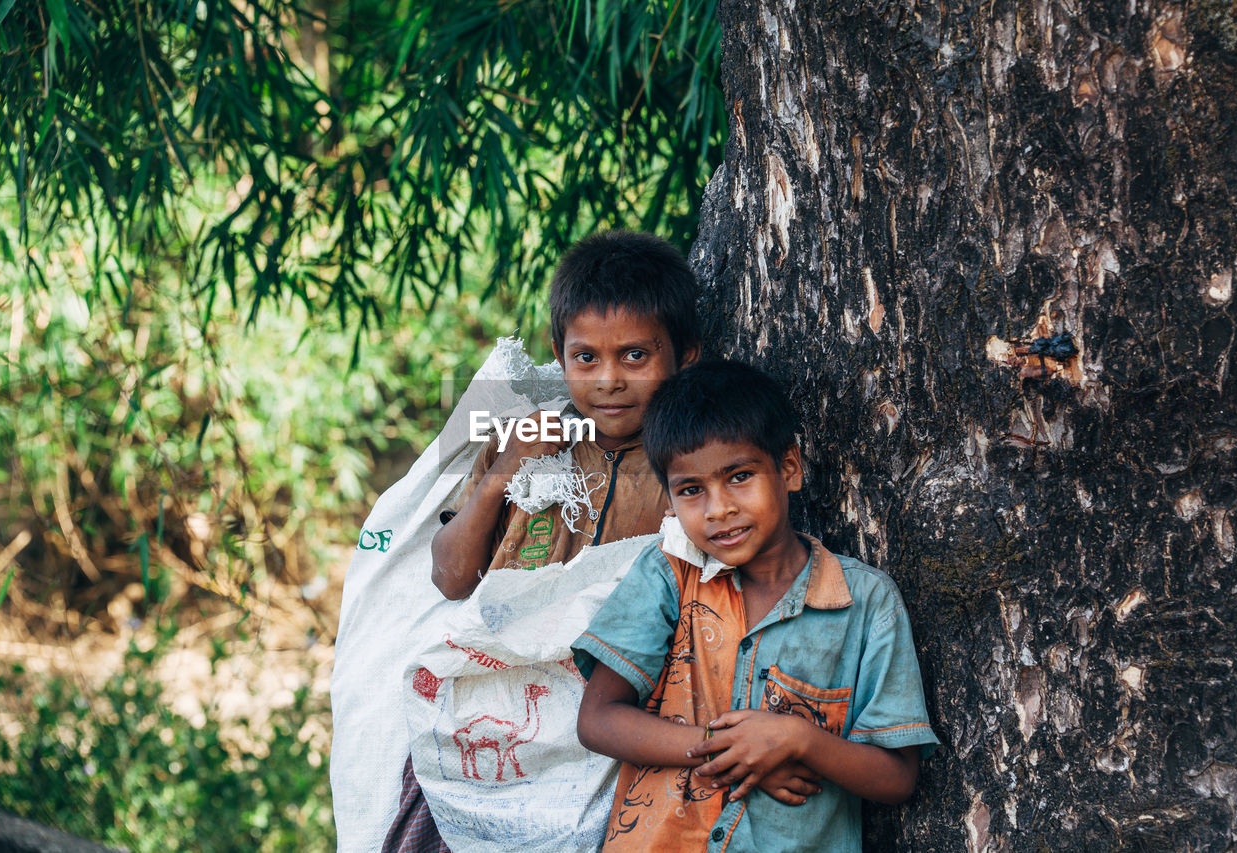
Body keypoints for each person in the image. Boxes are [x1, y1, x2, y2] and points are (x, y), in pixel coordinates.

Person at [381, 230, 701, 852]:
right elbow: (451, 578)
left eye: (636, 356)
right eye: (587, 358)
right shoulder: (521, 442)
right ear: (559, 354)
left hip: (609, 718)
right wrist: (502, 476)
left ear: (685, 355)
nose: (609, 380)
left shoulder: (686, 467)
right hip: (492, 701)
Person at [572, 360, 939, 852]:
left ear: (788, 467)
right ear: (671, 498)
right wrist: (735, 750)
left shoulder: (865, 602)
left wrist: (797, 740)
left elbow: (896, 777)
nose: (718, 508)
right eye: (691, 490)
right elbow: (598, 719)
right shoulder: (668, 574)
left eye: (739, 476)